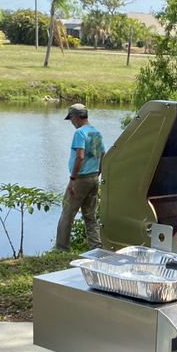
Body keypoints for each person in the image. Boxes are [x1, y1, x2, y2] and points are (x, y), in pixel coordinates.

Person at [55, 103, 106, 252]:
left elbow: (80, 157)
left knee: (67, 215)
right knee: (90, 216)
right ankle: (96, 248)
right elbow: (103, 155)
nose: (71, 122)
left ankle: (61, 250)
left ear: (75, 117)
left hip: (80, 179)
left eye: (70, 118)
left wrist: (72, 180)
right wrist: (98, 173)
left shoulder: (80, 133)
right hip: (93, 179)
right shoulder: (96, 133)